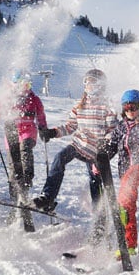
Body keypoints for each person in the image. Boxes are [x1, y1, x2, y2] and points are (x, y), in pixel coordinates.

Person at [33, 69, 116, 238]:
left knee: (95, 182)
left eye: (93, 82)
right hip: (79, 144)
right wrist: (53, 132)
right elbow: (70, 126)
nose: (89, 86)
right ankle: (47, 197)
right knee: (60, 158)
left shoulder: (107, 106)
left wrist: (106, 143)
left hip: (96, 151)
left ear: (101, 85)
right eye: (87, 82)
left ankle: (100, 221)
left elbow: (112, 130)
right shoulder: (80, 105)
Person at [106, 89, 139, 257]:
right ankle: (127, 241)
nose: (130, 111)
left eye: (133, 107)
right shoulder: (121, 126)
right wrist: (101, 158)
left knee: (124, 203)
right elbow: (112, 145)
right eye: (126, 108)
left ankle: (129, 243)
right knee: (126, 206)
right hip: (126, 170)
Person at [2, 70, 50, 214]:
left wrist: (43, 128)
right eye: (24, 84)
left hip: (28, 131)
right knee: (13, 166)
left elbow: (40, 115)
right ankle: (15, 197)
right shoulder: (8, 98)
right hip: (12, 133)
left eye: (29, 84)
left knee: (25, 150)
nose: (27, 88)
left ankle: (27, 179)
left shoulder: (34, 99)